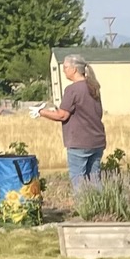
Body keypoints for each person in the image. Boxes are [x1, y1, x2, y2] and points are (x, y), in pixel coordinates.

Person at [39, 55, 107, 193]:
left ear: (74, 69)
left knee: (78, 180)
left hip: (79, 142)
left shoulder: (72, 90)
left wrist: (41, 112)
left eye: (65, 67)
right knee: (95, 179)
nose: (63, 71)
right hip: (97, 140)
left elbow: (62, 115)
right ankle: (101, 207)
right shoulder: (93, 87)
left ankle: (84, 209)